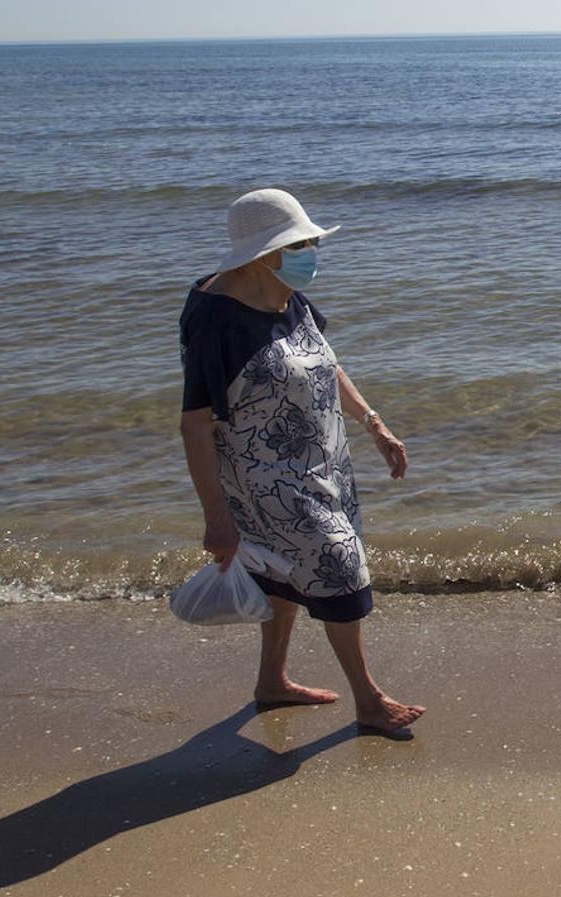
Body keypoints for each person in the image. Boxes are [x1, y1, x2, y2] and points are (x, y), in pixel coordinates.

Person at [178, 188, 424, 733]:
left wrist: (374, 424)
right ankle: (369, 699)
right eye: (304, 242)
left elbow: (326, 363)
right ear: (267, 254)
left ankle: (272, 681)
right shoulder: (218, 321)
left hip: (323, 465)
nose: (313, 250)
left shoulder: (285, 294)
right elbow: (195, 422)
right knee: (341, 569)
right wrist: (215, 516)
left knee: (287, 575)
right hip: (266, 481)